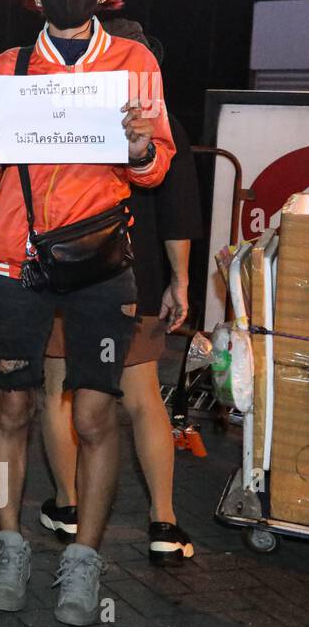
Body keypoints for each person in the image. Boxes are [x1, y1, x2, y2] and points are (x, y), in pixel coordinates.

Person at [0, 0, 176, 626]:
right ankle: (7, 542)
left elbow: (155, 166)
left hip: (98, 264)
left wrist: (142, 147)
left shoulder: (133, 61)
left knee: (94, 414)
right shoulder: (5, 68)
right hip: (16, 261)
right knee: (13, 408)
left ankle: (84, 558)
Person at [40, 106, 201, 566]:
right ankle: (163, 525)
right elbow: (177, 211)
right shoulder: (162, 122)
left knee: (59, 390)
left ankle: (67, 507)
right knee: (143, 397)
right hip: (135, 274)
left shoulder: (63, 106)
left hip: (63, 268)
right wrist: (180, 280)